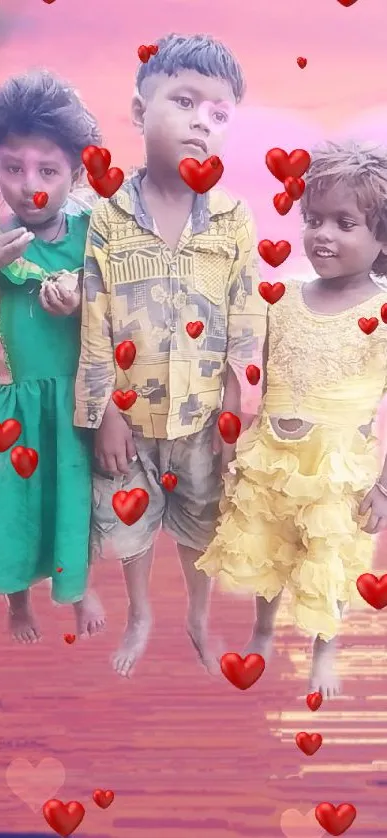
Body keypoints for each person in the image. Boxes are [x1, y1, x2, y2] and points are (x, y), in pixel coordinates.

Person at [74, 33, 267, 677]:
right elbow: (95, 321)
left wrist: (238, 410)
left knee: (200, 525)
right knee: (130, 531)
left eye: (218, 113)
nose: (199, 122)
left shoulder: (234, 219)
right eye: (184, 101)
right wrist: (103, 412)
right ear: (138, 112)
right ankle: (139, 615)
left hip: (204, 420)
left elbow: (246, 319)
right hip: (129, 420)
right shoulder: (108, 217)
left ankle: (198, 617)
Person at [196, 140, 387, 698]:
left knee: (328, 556)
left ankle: (324, 649)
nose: (323, 234)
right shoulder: (284, 298)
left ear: (381, 240)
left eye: (345, 223)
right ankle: (262, 631)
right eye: (315, 219)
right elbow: (263, 374)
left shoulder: (380, 310)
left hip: (338, 467)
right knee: (272, 546)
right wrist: (239, 435)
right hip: (274, 454)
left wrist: (383, 487)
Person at [0, 70, 105, 642]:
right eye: (12, 167)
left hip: (75, 395)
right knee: (12, 505)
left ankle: (76, 590)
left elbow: (121, 310)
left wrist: (81, 302)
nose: (28, 186)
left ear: (76, 173)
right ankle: (17, 601)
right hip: (15, 402)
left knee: (72, 501)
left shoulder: (94, 233)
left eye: (48, 171)